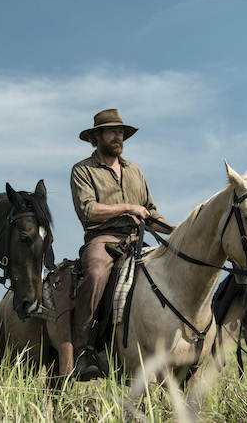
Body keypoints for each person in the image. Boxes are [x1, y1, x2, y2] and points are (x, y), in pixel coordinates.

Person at [70, 108, 173, 380]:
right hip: (102, 239)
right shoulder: (83, 170)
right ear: (97, 137)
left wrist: (176, 232)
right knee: (94, 274)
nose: (119, 136)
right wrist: (129, 207)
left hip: (137, 240)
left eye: (121, 132)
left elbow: (150, 212)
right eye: (113, 131)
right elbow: (88, 211)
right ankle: (83, 350)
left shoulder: (135, 171)